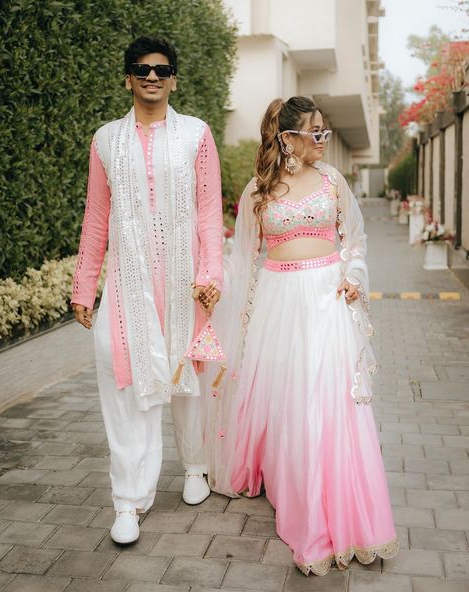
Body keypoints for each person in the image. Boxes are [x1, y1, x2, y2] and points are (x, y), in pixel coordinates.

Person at [204, 96, 398, 576]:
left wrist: (353, 273)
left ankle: (335, 494)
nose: (322, 140)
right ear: (287, 139)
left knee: (327, 397)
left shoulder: (334, 181)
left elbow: (355, 238)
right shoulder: (259, 189)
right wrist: (226, 305)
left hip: (327, 298)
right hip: (278, 299)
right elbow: (243, 259)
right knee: (289, 397)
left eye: (325, 132)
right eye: (314, 132)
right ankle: (293, 481)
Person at [71, 36, 223, 544]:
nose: (151, 77)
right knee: (127, 387)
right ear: (128, 78)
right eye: (141, 69)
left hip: (185, 284)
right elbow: (96, 216)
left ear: (174, 78)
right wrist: (83, 284)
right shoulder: (105, 140)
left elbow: (208, 212)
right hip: (127, 286)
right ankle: (128, 501)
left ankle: (196, 466)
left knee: (186, 381)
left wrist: (211, 275)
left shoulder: (197, 135)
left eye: (161, 69)